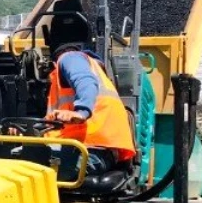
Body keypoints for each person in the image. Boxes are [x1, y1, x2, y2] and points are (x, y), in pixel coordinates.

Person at [44, 40, 136, 176]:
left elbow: (85, 81)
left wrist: (82, 112)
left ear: (53, 64)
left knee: (22, 162)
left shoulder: (69, 58)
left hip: (90, 149)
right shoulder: (95, 67)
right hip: (99, 149)